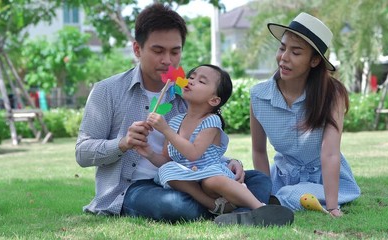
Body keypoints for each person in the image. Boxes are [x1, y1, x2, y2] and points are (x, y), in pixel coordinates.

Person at [75, 3, 272, 223]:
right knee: (177, 205)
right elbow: (82, 153)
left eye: (175, 51)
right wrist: (122, 143)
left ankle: (233, 208)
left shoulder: (186, 93)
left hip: (190, 177)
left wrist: (230, 161)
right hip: (137, 187)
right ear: (137, 49)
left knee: (259, 179)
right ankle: (235, 208)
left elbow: (196, 152)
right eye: (158, 51)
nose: (167, 60)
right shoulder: (107, 90)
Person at [141, 64, 293, 227]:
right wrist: (149, 153)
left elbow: (194, 153)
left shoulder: (211, 121)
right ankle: (212, 206)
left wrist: (165, 130)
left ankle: (260, 208)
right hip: (190, 181)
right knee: (166, 170)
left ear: (214, 100)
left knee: (211, 180)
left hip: (211, 178)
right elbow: (166, 159)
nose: (190, 81)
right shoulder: (175, 121)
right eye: (191, 77)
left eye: (201, 81)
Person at [249, 12, 361, 218]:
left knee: (293, 194)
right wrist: (264, 194)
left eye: (296, 52)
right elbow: (258, 151)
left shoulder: (331, 94)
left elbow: (330, 153)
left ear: (315, 60)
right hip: (280, 178)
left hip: (324, 182)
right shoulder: (259, 96)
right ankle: (263, 203)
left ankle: (265, 204)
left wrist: (332, 206)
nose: (284, 57)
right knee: (247, 184)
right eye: (282, 48)